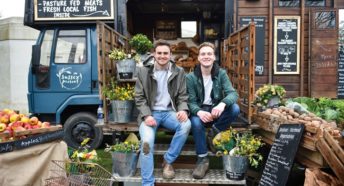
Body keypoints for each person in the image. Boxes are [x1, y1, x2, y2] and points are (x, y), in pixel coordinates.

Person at [135, 39, 191, 186]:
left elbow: (182, 96)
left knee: (185, 125)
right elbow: (139, 97)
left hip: (168, 112)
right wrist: (146, 115)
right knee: (147, 143)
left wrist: (183, 110)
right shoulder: (143, 71)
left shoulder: (179, 72)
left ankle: (168, 160)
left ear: (170, 54)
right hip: (150, 113)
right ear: (154, 54)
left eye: (165, 53)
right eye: (159, 53)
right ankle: (147, 183)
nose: (162, 56)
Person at [186, 42, 240, 179]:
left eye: (209, 54)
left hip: (215, 108)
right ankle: (202, 159)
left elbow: (233, 94)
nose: (206, 56)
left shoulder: (221, 74)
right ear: (198, 58)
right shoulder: (191, 77)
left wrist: (222, 104)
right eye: (203, 54)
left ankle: (214, 132)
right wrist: (198, 111)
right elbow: (190, 101)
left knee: (234, 108)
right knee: (196, 124)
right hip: (199, 109)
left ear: (214, 57)